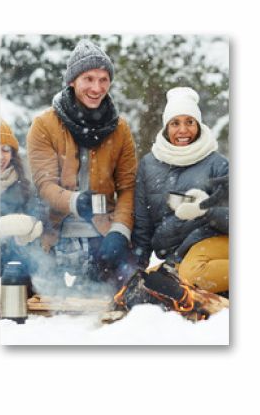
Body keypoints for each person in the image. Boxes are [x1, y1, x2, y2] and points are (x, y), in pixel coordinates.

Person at [27, 40, 137, 292]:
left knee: (125, 298)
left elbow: (128, 187)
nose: (97, 88)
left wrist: (119, 232)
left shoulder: (120, 129)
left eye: (103, 79)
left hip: (103, 233)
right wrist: (76, 201)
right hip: (55, 234)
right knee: (45, 303)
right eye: (88, 78)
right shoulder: (44, 125)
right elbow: (45, 185)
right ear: (72, 81)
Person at [132, 87, 229, 294]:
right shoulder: (149, 165)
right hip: (176, 255)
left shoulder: (217, 164)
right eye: (175, 123)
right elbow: (143, 224)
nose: (183, 130)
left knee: (192, 274)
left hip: (215, 243)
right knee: (151, 284)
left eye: (189, 122)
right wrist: (137, 267)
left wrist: (206, 210)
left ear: (199, 125)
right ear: (166, 127)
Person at [0, 120, 43, 290]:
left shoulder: (23, 187)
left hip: (15, 277)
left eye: (5, 149)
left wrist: (33, 228)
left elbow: (39, 217)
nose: (0, 156)